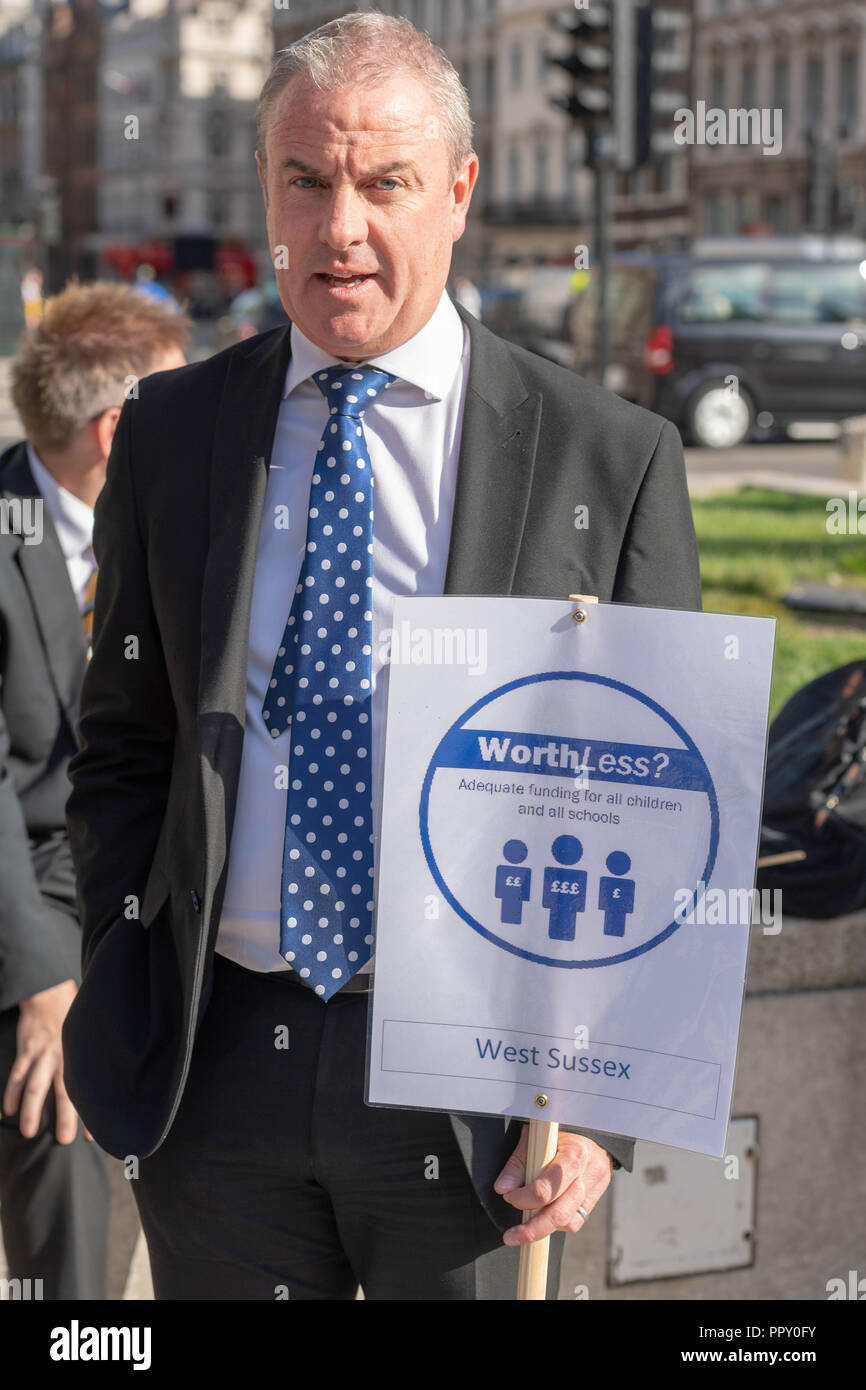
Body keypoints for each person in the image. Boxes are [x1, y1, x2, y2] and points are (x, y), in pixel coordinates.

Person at [62, 13, 701, 1301]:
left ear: (457, 193)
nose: (339, 225)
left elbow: (660, 807)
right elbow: (123, 738)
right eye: (306, 180)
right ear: (267, 193)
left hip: (470, 1108)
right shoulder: (175, 431)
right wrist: (120, 982)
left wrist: (593, 1111)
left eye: (383, 182)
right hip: (215, 1077)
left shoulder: (605, 458)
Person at [0, 281, 188, 1298]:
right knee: (51, 1102)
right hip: (25, 902)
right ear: (120, 428)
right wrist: (45, 988)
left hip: (155, 887)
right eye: (183, 400)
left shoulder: (176, 534)